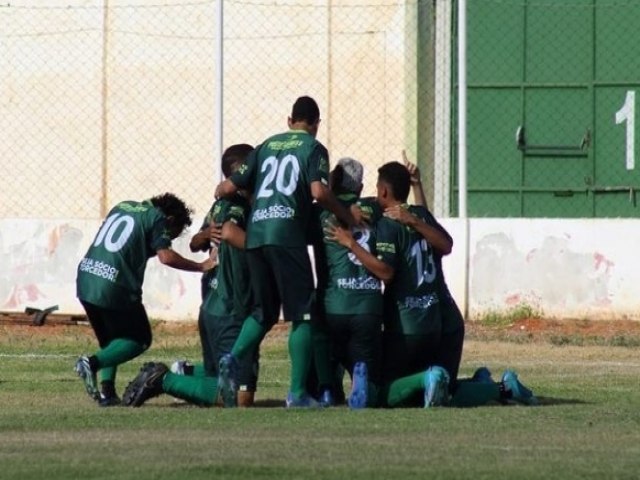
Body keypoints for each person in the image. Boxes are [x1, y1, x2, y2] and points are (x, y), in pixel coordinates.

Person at [213, 96, 359, 407]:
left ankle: (233, 358)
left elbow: (224, 189)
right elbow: (319, 192)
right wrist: (346, 216)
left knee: (263, 312)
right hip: (286, 235)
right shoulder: (313, 147)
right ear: (316, 125)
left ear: (289, 120)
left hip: (256, 235)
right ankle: (297, 393)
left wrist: (253, 198)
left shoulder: (265, 145)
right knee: (302, 314)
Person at [383, 159, 537, 408]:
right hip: (437, 319)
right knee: (436, 385)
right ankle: (485, 382)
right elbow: (425, 217)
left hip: (438, 320)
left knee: (443, 391)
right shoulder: (415, 218)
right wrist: (417, 186)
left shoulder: (407, 220)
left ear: (383, 191)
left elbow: (443, 241)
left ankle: (503, 388)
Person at [121, 144, 260, 408]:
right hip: (231, 306)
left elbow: (196, 242)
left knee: (215, 374)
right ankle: (162, 380)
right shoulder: (240, 208)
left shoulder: (221, 205)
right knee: (239, 398)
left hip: (213, 306)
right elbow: (203, 241)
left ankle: (183, 373)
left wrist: (205, 236)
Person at [74, 193, 215, 406]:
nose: (169, 239)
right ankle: (91, 364)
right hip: (114, 284)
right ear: (170, 220)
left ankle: (107, 393)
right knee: (139, 339)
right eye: (172, 234)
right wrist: (201, 266)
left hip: (86, 278)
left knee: (112, 342)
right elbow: (165, 256)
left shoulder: (122, 206)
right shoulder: (157, 217)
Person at [309, 157, 383, 408]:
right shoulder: (375, 209)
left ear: (332, 181)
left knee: (320, 333)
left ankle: (327, 388)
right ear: (360, 189)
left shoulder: (320, 213)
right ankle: (360, 376)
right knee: (365, 360)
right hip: (369, 307)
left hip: (333, 305)